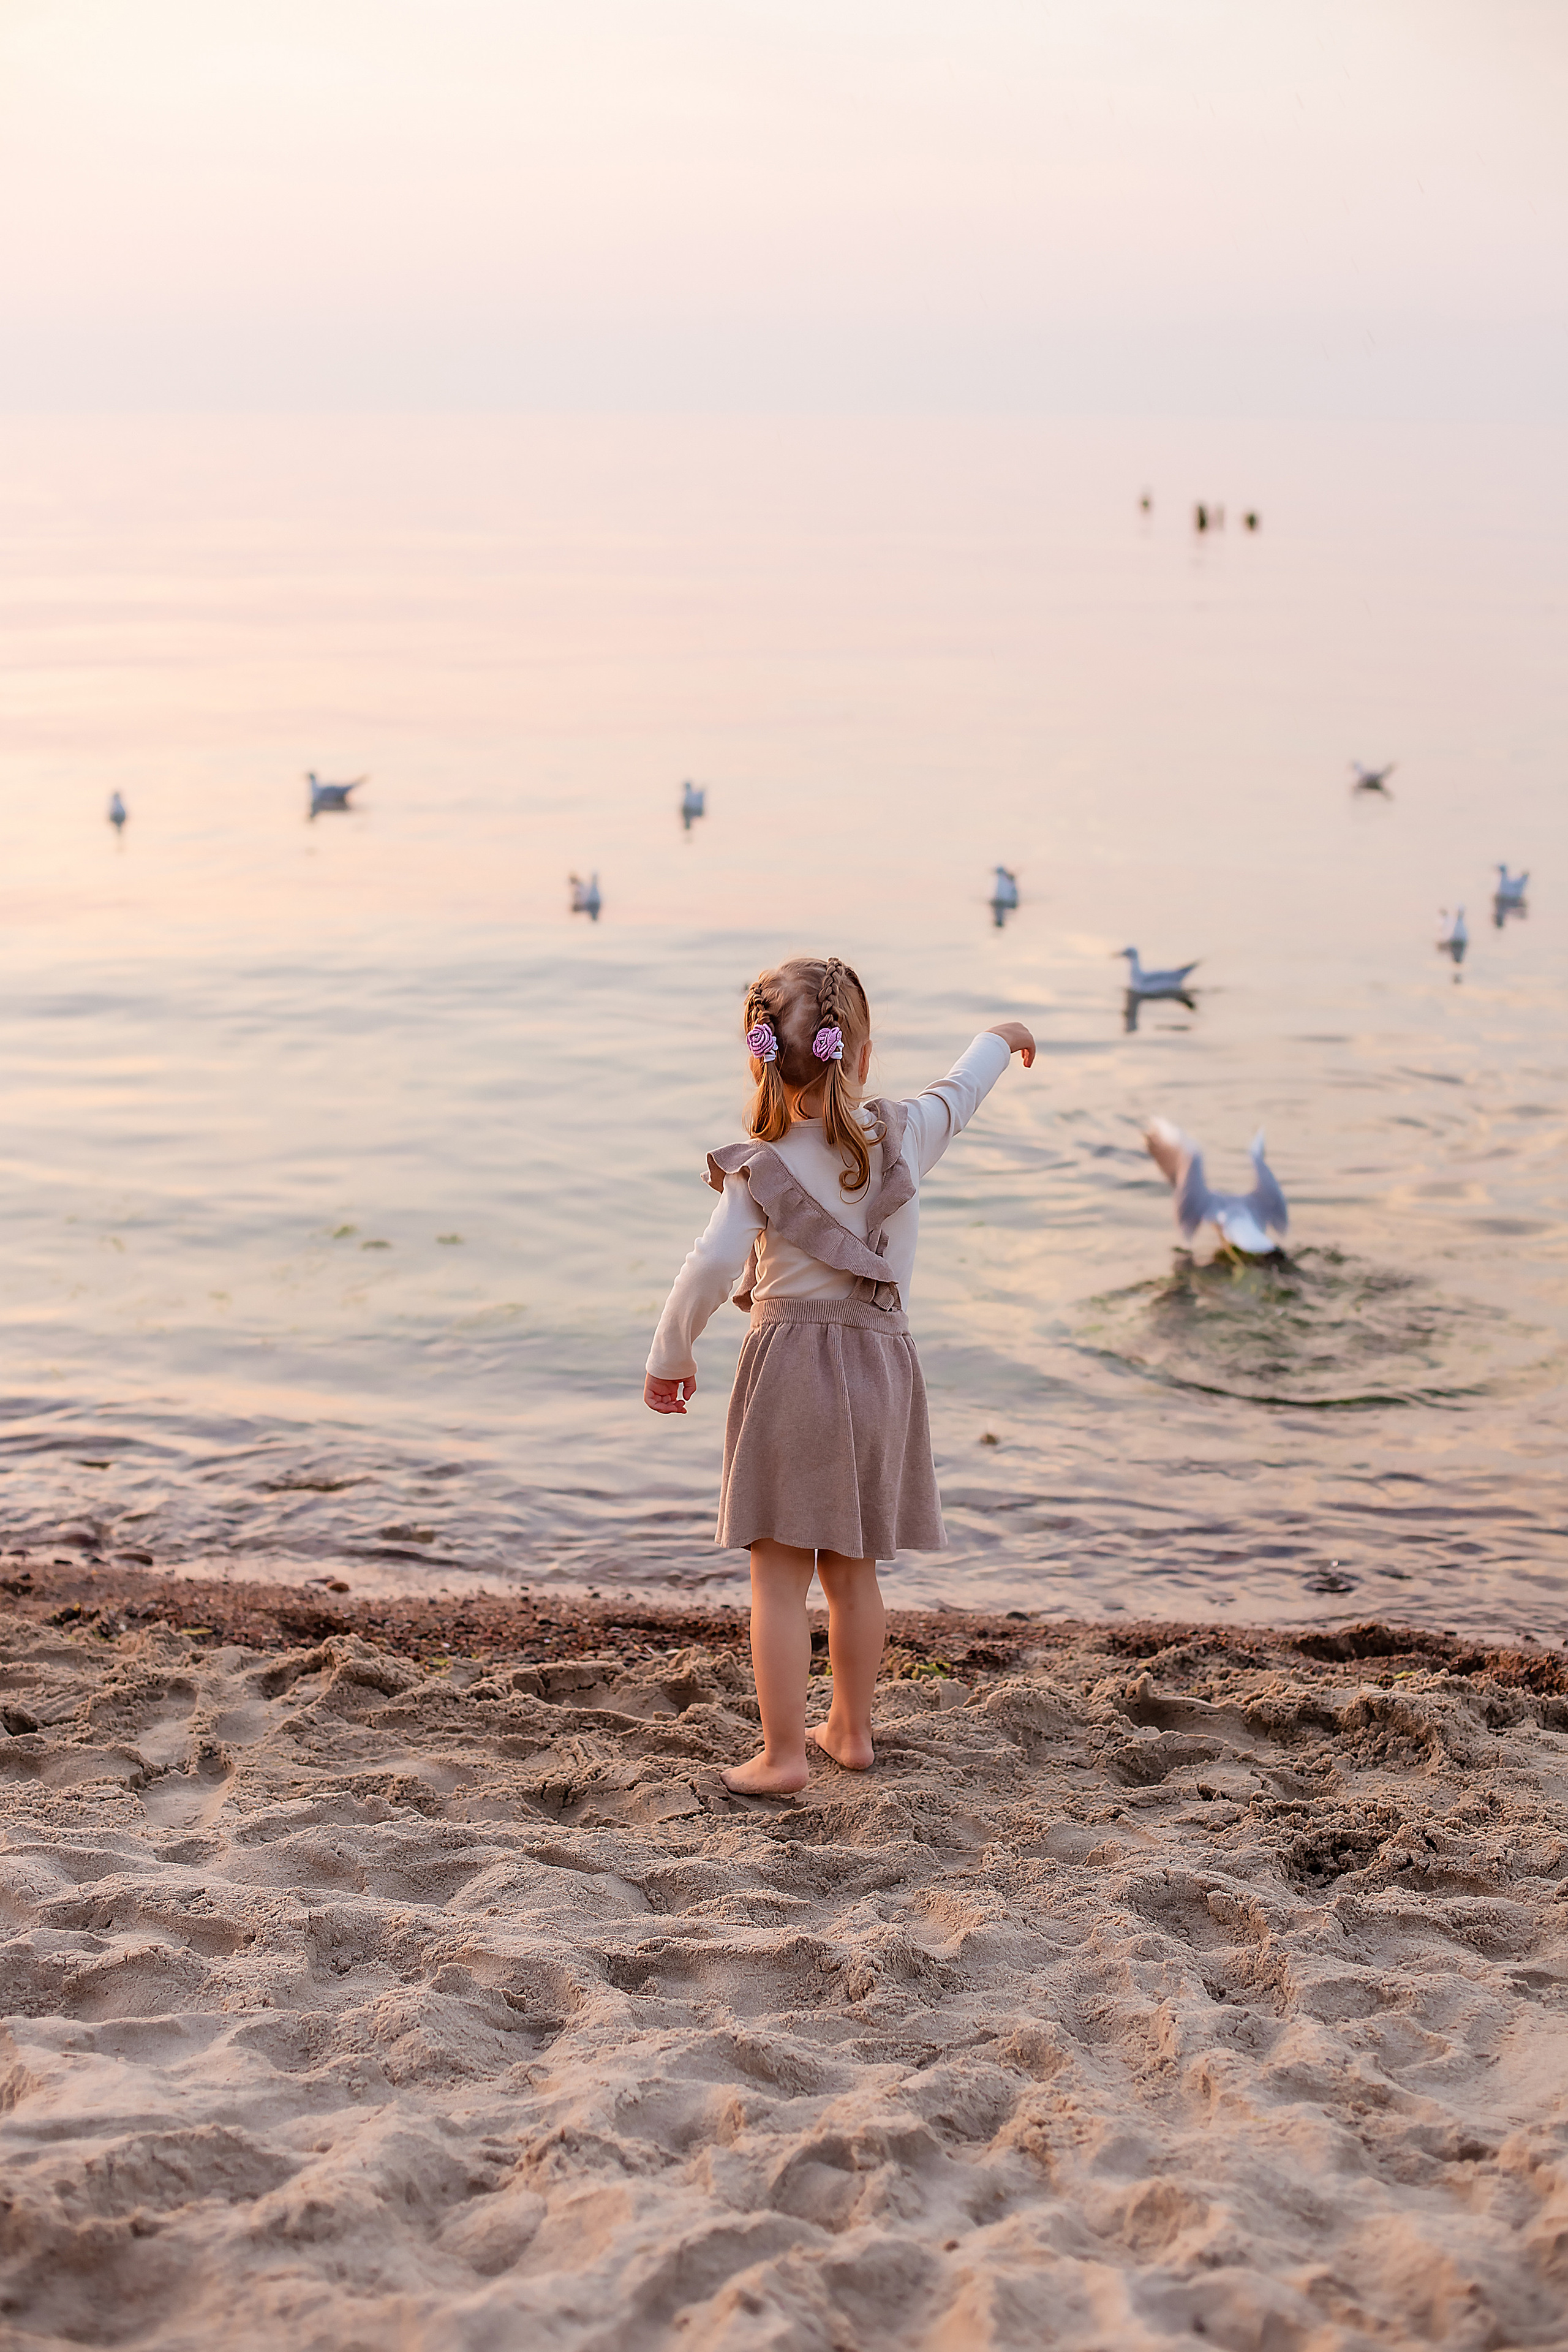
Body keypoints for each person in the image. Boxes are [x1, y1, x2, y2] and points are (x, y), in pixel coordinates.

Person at [644, 954, 1035, 1793]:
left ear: (761, 1057)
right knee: (852, 1571)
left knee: (779, 1577)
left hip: (789, 1369)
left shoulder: (759, 1166)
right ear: (859, 1055)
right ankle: (852, 1732)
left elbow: (710, 1267)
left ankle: (784, 1755)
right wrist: (1000, 1039)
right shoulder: (905, 1134)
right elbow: (961, 1091)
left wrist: (671, 1354)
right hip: (882, 1366)